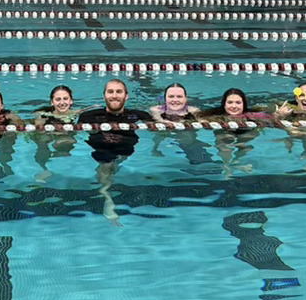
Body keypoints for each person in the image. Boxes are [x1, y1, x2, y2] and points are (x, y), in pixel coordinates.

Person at [77, 79, 152, 225]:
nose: (114, 95)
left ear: (126, 96)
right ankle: (107, 197)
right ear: (104, 95)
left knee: (110, 165)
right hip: (101, 148)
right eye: (110, 92)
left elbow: (157, 128)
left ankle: (107, 187)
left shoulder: (139, 115)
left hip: (125, 149)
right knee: (107, 163)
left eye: (119, 92)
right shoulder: (88, 116)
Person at [197, 88, 268, 176]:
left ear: (243, 104)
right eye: (230, 102)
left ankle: (237, 162)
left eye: (238, 103)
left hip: (246, 129)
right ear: (224, 104)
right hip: (224, 129)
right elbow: (197, 118)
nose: (234, 106)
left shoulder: (253, 115)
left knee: (246, 141)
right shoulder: (215, 116)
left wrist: (281, 114)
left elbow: (272, 117)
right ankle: (226, 164)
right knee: (224, 143)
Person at [150, 83, 213, 164]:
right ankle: (155, 148)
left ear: (185, 99)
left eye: (179, 97)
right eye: (171, 96)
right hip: (166, 137)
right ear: (164, 99)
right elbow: (158, 120)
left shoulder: (193, 111)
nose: (175, 100)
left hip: (189, 141)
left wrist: (205, 123)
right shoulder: (156, 110)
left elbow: (202, 120)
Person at [33, 86, 82, 181]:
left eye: (65, 99)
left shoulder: (76, 114)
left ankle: (65, 163)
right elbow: (38, 131)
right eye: (58, 99)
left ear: (71, 101)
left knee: (68, 140)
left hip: (67, 137)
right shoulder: (43, 116)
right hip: (50, 135)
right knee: (42, 140)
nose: (62, 103)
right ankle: (43, 167)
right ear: (52, 102)